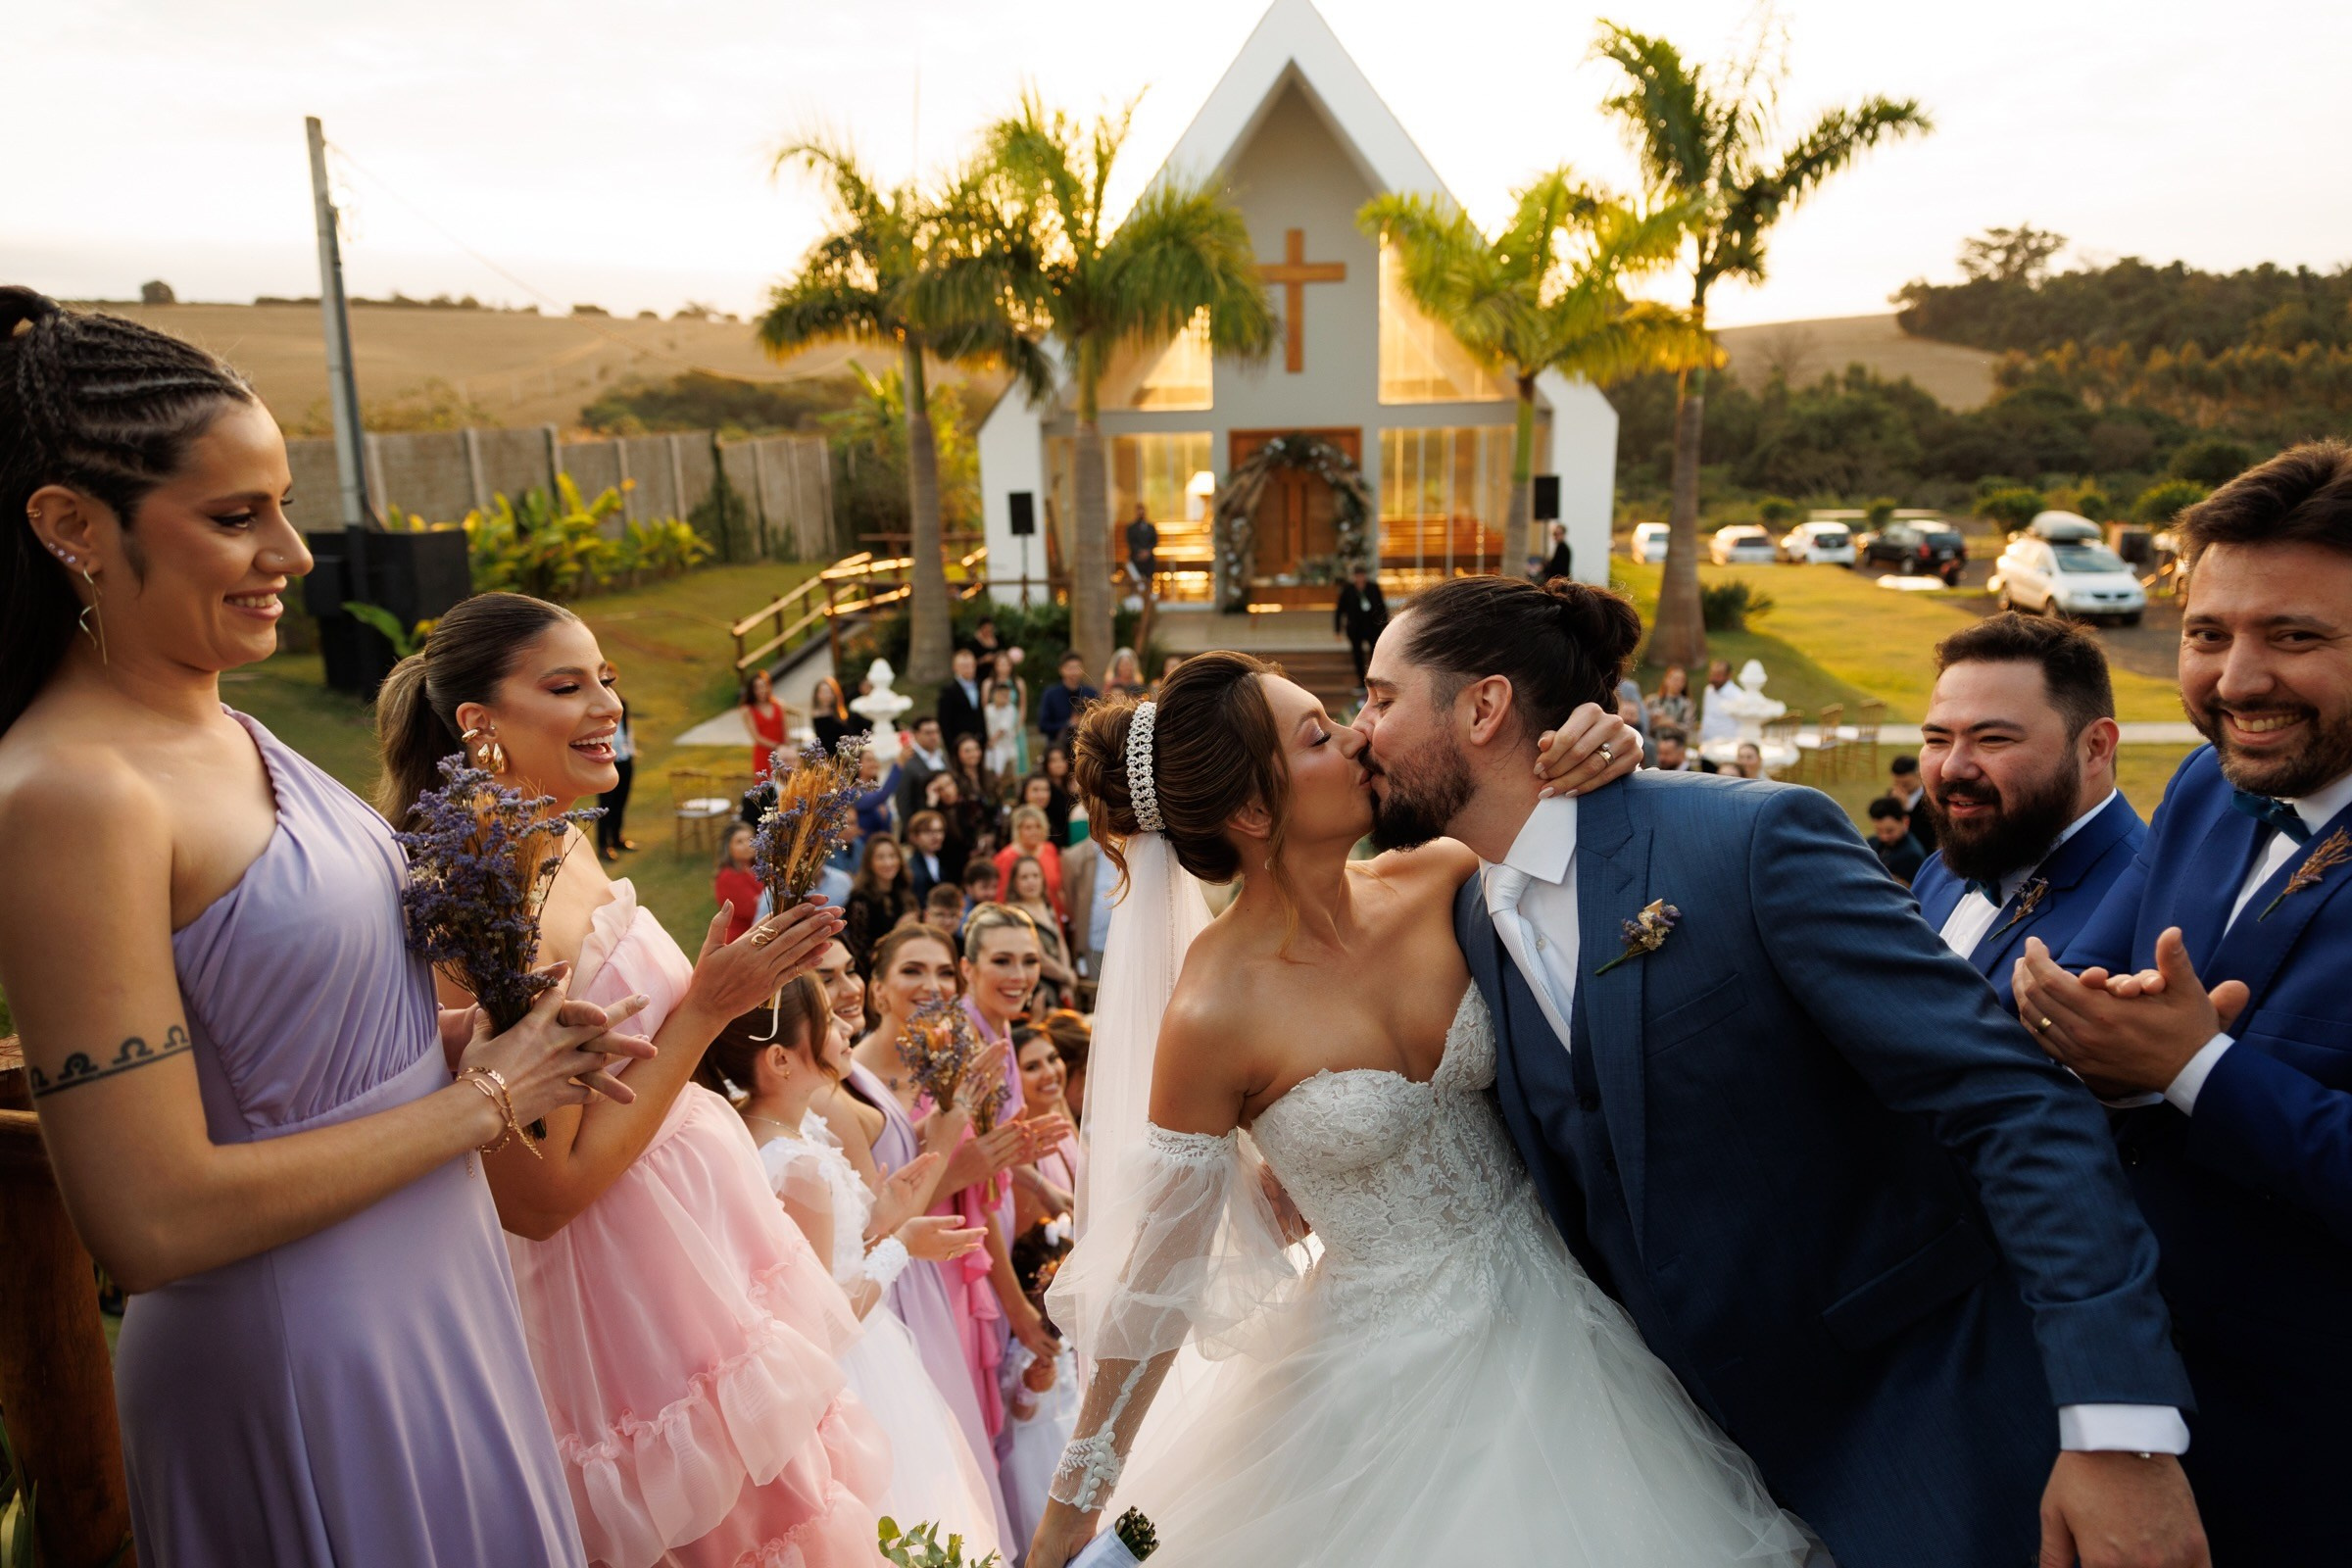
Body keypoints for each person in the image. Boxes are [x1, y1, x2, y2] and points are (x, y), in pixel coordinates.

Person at [1348, 574, 2202, 1568]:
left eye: (1380, 698)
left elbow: (2015, 1104)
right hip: (1686, 1480)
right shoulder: (1466, 915)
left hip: (1931, 1435)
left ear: (1484, 708)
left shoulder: (1749, 840)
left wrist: (2119, 1428)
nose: (1361, 730)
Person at [0, 289, 649, 1567]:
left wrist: (460, 1041)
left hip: (433, 1290)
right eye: (234, 517)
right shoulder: (70, 794)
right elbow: (149, 1220)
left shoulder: (226, 722)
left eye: (284, 505)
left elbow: (272, 1031)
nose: (294, 554)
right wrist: (483, 1105)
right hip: (303, 1355)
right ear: (72, 527)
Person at [1028, 656, 1808, 1568]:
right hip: (1388, 1394)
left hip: (1578, 1307)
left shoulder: (1443, 875)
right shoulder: (1211, 1014)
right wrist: (1069, 1511)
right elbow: (1161, 1272)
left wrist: (1605, 749)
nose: (1359, 736)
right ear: (1252, 811)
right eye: (1319, 736)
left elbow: (1580, 848)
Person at [374, 592, 891, 1568]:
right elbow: (541, 1197)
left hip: (703, 1252)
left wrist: (730, 986)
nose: (608, 704)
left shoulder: (563, 836)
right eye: (567, 686)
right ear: (481, 722)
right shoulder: (485, 901)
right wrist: (706, 1009)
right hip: (622, 1301)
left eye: (605, 678)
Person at [2022, 442, 2352, 1561]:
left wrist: (2194, 1069)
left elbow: (2171, 1053)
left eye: (2294, 637)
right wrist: (2072, 1013)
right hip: (2132, 1399)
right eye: (2208, 634)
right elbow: (2093, 976)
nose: (2236, 682)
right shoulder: (2211, 780)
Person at [715, 979, 1001, 1559]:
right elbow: (826, 1324)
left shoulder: (773, 1129)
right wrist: (900, 1246)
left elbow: (809, 1258)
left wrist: (880, 1217)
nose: (848, 1028)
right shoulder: (797, 1166)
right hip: (853, 1376)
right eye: (828, 1021)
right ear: (780, 1060)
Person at [838, 924, 1023, 1545]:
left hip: (953, 1266)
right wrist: (957, 1165)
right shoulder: (851, 1078)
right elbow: (868, 1210)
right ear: (878, 989)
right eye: (914, 971)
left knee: (963, 1425)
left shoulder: (950, 1065)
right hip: (895, 1273)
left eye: (945, 972)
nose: (933, 986)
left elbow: (981, 1180)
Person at [1909, 613, 2141, 1011]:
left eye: (1993, 739)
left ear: (2095, 747)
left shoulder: (2144, 907)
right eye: (1937, 739)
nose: (1952, 768)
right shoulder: (1939, 871)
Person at [1001, 1025, 1083, 1546]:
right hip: (1042, 1302)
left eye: (1052, 1059)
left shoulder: (1063, 1127)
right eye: (1031, 1066)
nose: (1050, 1072)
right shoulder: (1021, 1161)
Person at [1004, 855, 1079, 1007]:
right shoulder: (1014, 913)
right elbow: (1039, 958)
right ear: (1015, 882)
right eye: (1024, 877)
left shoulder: (1046, 905)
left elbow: (1060, 942)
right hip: (1037, 985)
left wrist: (1066, 982)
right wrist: (1066, 976)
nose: (1031, 881)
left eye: (1035, 876)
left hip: (1059, 980)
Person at [844, 833, 919, 971]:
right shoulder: (859, 901)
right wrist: (897, 932)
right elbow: (860, 954)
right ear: (869, 863)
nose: (888, 863)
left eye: (892, 856)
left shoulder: (904, 890)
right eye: (880, 857)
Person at [1058, 829, 1115, 1005]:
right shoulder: (1075, 856)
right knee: (1095, 998)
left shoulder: (1133, 850)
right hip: (1093, 942)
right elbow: (1070, 902)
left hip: (1127, 940)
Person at [993, 806, 1065, 921]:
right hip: (1020, 921)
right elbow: (1001, 897)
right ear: (1018, 830)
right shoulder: (1004, 858)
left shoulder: (1050, 850)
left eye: (1038, 826)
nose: (1034, 832)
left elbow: (1058, 889)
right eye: (1028, 827)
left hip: (1052, 918)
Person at [596, 678, 637, 861]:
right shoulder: (598, 706)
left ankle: (617, 837)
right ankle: (604, 845)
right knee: (606, 805)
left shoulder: (622, 703)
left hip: (625, 758)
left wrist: (631, 752)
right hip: (607, 761)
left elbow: (628, 730)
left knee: (621, 801)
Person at [1333, 562, 1389, 689]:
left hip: (1372, 627)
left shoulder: (1373, 588)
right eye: (1357, 575)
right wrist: (1337, 630)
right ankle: (1361, 682)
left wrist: (1385, 625)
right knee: (1357, 655)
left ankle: (1374, 680)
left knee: (1375, 652)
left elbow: (1382, 607)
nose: (1360, 578)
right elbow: (1339, 611)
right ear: (1354, 577)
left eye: (1361, 575)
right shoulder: (1348, 590)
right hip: (1355, 628)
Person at [714, 821, 764, 944]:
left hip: (761, 933)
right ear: (728, 848)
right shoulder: (727, 877)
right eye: (739, 842)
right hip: (743, 940)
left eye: (750, 839)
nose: (747, 845)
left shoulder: (757, 867)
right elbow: (755, 910)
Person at [897, 715, 951, 826]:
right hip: (922, 824)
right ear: (916, 734)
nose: (933, 736)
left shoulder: (943, 756)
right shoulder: (908, 761)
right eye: (928, 733)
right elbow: (903, 801)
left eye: (936, 732)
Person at [1037, 654, 1097, 754]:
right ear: (1061, 670)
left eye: (1077, 668)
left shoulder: (1091, 693)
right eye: (1070, 668)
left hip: (1087, 749)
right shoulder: (1051, 694)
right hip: (1058, 751)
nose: (1074, 672)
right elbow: (1043, 725)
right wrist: (1069, 724)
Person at [983, 652, 1027, 779]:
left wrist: (1019, 725)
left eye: (1006, 664)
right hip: (994, 722)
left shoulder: (1018, 682)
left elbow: (1022, 705)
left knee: (1017, 757)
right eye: (1000, 664)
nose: (1003, 667)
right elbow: (985, 705)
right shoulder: (988, 683)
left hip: (1014, 722)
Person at [740, 667, 790, 781]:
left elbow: (785, 731)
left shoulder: (779, 705)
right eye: (757, 688)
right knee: (765, 787)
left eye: (764, 686)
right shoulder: (747, 710)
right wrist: (777, 746)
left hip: (782, 753)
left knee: (786, 785)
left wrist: (786, 750)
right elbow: (756, 737)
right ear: (752, 690)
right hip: (763, 754)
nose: (761, 690)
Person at [1866, 795, 1928, 884]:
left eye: (1890, 831)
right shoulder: (1871, 842)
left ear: (1905, 822)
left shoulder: (1912, 856)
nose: (1884, 837)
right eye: (1879, 831)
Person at [938, 647, 988, 750]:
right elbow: (944, 722)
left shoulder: (982, 685)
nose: (968, 669)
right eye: (964, 666)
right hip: (959, 743)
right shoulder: (948, 690)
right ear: (955, 667)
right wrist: (951, 747)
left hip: (981, 741)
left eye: (970, 665)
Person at [808, 675, 868, 755]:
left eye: (829, 692)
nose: (827, 695)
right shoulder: (818, 717)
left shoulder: (843, 714)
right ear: (817, 695)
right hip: (834, 756)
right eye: (823, 692)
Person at [1888, 753, 1936, 850]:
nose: (1900, 787)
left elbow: (1928, 834)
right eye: (1897, 783)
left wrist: (1906, 809)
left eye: (1905, 784)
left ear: (1918, 775)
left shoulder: (1931, 798)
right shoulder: (1892, 796)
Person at [904, 809, 954, 903]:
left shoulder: (944, 862)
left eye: (939, 831)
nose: (936, 836)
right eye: (928, 831)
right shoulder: (911, 867)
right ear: (915, 836)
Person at [1040, 745, 1079, 845]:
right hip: (1055, 840)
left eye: (1062, 759)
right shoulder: (1044, 789)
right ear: (1046, 764)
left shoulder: (1073, 785)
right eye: (1053, 761)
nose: (1059, 764)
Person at [1695, 658, 1739, 746]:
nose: (1713, 678)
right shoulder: (1708, 690)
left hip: (1726, 745)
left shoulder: (1737, 696)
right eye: (1712, 674)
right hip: (1706, 742)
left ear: (1729, 675)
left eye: (1718, 675)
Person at [1651, 723, 1716, 774]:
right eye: (1659, 753)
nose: (1661, 758)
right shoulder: (1660, 774)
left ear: (1681, 752)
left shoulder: (1692, 777)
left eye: (1666, 753)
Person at [1124, 503, 1158, 597]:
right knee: (1135, 580)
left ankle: (1148, 596)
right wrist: (1139, 552)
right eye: (1139, 511)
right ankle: (1136, 597)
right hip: (1136, 558)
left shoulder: (1150, 527)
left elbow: (1154, 541)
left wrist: (1147, 551)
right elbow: (1130, 541)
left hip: (1149, 559)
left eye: (1142, 511)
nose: (1140, 513)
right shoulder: (1131, 528)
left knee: (1149, 578)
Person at [1648, 665, 1695, 733]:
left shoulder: (1687, 704)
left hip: (1677, 739)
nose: (1678, 683)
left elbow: (1689, 728)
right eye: (1675, 679)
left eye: (1682, 681)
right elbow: (1644, 724)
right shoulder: (1653, 700)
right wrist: (1656, 720)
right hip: (1654, 738)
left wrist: (1673, 724)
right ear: (1666, 680)